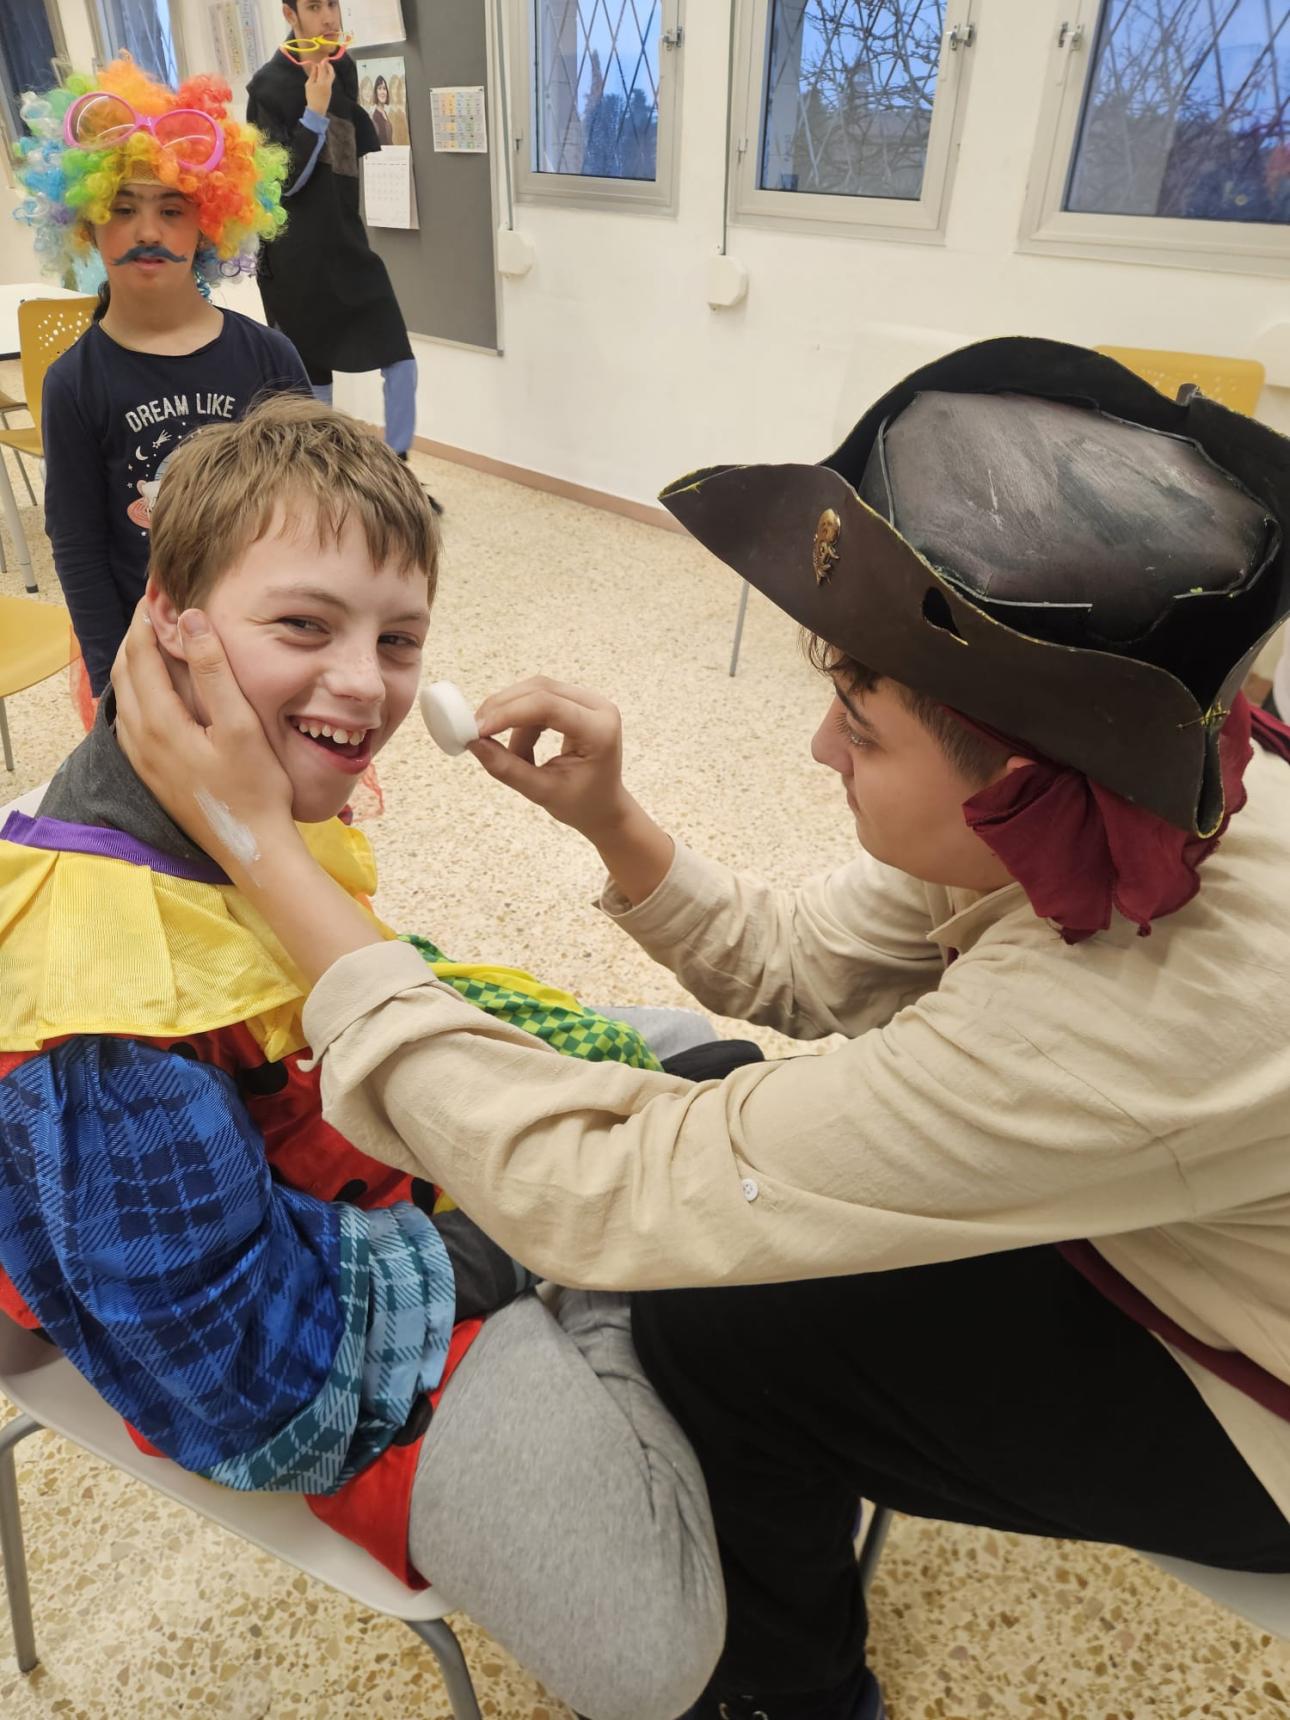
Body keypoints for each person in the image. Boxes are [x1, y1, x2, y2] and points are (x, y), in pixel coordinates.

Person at [113, 337, 1290, 1720]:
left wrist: (267, 854)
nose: (818, 750)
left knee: (719, 1333)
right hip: (1158, 1217)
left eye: (857, 721)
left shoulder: (1140, 1018)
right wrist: (611, 820)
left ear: (1012, 777)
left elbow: (608, 1193)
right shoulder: (1103, 775)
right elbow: (805, 962)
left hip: (1241, 1379)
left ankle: (794, 1697)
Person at [0, 395, 724, 1720]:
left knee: (708, 1073)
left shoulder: (231, 793)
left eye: (398, 639)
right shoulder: (100, 999)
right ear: (170, 619)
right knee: (652, 1658)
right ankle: (614, 1296)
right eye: (303, 625)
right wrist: (542, 1228)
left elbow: (348, 978)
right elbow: (237, 1369)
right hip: (323, 1329)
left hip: (357, 1159)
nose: (365, 685)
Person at [12, 56, 310, 704]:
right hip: (150, 655)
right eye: (122, 208)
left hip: (268, 646)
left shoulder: (270, 357)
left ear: (209, 224)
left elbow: (316, 506)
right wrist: (112, 681)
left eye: (172, 210)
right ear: (86, 222)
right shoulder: (74, 383)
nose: (147, 231)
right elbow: (80, 548)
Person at [246, 0, 435, 506]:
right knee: (315, 384)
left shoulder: (344, 67)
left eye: (333, 4)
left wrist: (332, 104)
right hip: (294, 260)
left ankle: (396, 474)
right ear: (290, 14)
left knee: (400, 359)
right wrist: (314, 110)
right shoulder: (267, 87)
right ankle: (326, 490)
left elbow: (345, 160)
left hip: (348, 245)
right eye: (314, 7)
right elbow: (282, 186)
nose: (329, 17)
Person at [370, 73, 393, 145]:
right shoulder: (375, 117)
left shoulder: (385, 113)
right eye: (379, 88)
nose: (382, 92)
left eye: (384, 88)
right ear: (376, 92)